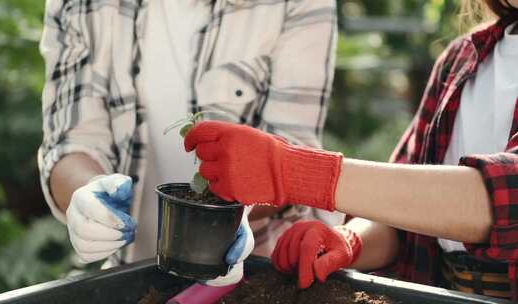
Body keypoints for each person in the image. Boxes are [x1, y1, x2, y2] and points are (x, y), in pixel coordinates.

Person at [183, 0, 518, 298]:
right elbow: (399, 219)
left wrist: (297, 172)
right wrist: (348, 240)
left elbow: (504, 199)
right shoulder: (462, 60)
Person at [37, 0, 339, 286]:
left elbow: (297, 159)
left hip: (255, 277)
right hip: (132, 275)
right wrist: (86, 192)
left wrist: (235, 213)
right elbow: (71, 140)